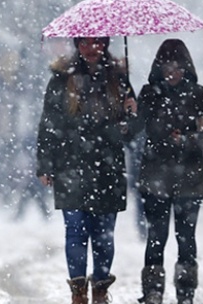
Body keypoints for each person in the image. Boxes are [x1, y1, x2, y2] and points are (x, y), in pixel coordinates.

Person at [36, 36, 137, 304]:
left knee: (104, 235)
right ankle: (78, 292)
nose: (91, 49)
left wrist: (132, 113)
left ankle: (101, 289)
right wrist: (45, 164)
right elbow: (48, 125)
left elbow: (131, 133)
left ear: (105, 44)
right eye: (85, 43)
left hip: (108, 167)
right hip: (71, 166)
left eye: (97, 43)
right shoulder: (60, 80)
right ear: (77, 46)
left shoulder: (119, 80)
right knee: (76, 230)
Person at [134, 39, 203, 304]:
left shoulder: (199, 95)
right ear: (159, 68)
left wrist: (189, 139)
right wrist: (130, 109)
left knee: (186, 239)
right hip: (155, 179)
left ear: (186, 68)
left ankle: (186, 292)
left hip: (189, 180)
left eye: (177, 67)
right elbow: (132, 130)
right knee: (156, 237)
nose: (172, 73)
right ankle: (152, 291)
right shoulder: (149, 94)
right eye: (167, 67)